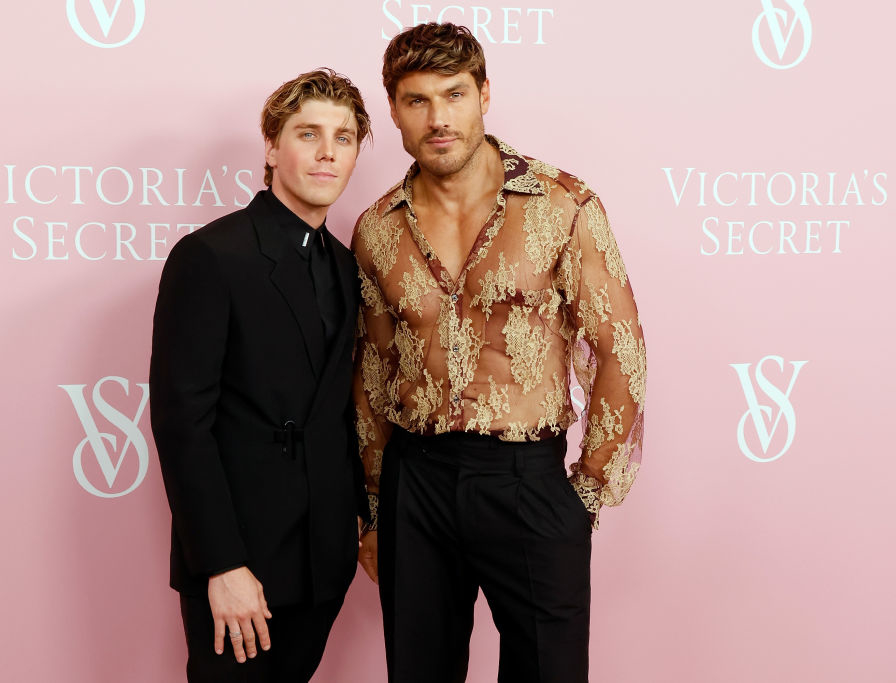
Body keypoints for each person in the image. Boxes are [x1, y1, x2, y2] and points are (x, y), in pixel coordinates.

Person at [352, 23, 646, 682]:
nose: (439, 118)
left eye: (454, 95)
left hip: (527, 475)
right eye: (417, 100)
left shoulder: (563, 203)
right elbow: (372, 374)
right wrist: (375, 508)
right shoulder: (375, 227)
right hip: (415, 480)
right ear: (394, 110)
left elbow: (618, 343)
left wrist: (587, 493)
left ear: (485, 94)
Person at [150, 68, 372, 683]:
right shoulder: (210, 256)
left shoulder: (347, 265)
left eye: (345, 137)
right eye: (308, 134)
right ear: (272, 148)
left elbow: (341, 410)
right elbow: (180, 423)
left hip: (323, 561)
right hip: (240, 563)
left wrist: (360, 521)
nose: (328, 152)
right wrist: (221, 565)